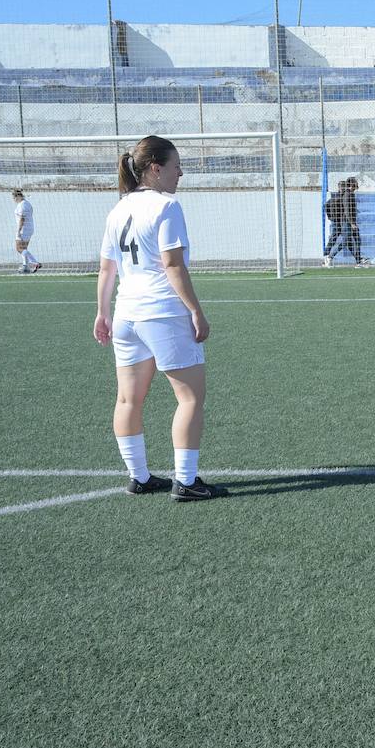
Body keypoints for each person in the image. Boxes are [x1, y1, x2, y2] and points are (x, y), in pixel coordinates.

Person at [93, 135, 225, 502]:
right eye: (176, 165)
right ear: (155, 168)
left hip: (126, 316)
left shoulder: (117, 210)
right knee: (190, 398)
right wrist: (196, 311)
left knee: (128, 400)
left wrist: (103, 314)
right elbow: (172, 265)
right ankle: (186, 481)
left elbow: (106, 270)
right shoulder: (167, 207)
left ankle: (140, 477)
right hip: (162, 314)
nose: (181, 172)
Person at [324, 177, 365, 268]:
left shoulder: (350, 194)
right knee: (346, 241)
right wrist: (352, 223)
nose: (356, 186)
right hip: (347, 222)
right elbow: (347, 211)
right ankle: (330, 257)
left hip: (351, 221)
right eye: (355, 184)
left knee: (357, 240)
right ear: (351, 184)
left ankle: (359, 262)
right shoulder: (347, 195)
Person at [12, 189, 41, 274]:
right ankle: (25, 266)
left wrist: (18, 230)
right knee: (24, 249)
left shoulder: (22, 205)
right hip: (29, 228)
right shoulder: (27, 203)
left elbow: (22, 219)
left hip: (24, 229)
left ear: (18, 196)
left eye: (14, 198)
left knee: (19, 248)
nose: (14, 200)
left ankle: (35, 263)